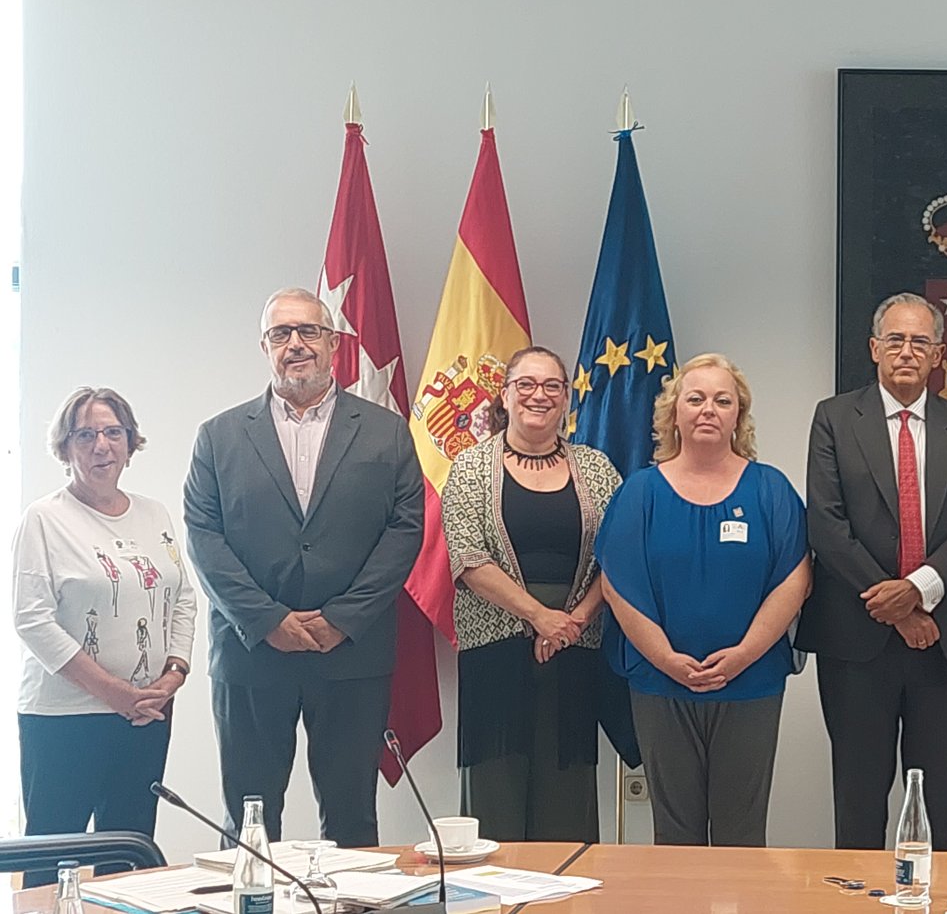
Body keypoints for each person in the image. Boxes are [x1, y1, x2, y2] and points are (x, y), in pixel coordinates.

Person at [183, 287, 425, 844]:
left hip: (351, 653)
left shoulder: (387, 432)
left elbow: (404, 532)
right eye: (280, 334)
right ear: (265, 347)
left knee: (351, 818)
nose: (296, 344)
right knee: (248, 821)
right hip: (251, 652)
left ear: (333, 344)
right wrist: (268, 621)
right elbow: (205, 538)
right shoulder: (217, 437)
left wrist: (342, 618)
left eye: (308, 331)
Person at [797, 293, 947, 852]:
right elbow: (828, 526)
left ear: (938, 354)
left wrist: (918, 592)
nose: (906, 351)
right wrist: (897, 609)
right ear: (873, 348)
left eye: (919, 342)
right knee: (859, 801)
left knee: (939, 803)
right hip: (856, 642)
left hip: (945, 641)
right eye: (895, 339)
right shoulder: (835, 419)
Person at [600, 352, 810, 846]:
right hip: (660, 685)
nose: (708, 409)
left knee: (743, 833)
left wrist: (741, 656)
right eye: (695, 399)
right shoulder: (641, 492)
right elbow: (617, 584)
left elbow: (795, 581)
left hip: (751, 683)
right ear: (674, 412)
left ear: (739, 415)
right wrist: (666, 659)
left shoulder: (770, 490)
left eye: (722, 400)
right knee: (675, 834)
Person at [12, 388, 196, 884]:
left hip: (145, 717)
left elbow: (182, 597)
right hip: (64, 721)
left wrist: (174, 674)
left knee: (131, 856)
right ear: (65, 447)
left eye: (114, 432)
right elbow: (32, 620)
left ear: (131, 442)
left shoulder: (154, 513)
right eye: (86, 434)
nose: (102, 446)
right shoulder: (44, 519)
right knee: (53, 863)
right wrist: (115, 693)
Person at [441, 346, 622, 842]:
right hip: (495, 651)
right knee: (493, 795)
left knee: (569, 800)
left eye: (551, 386)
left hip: (575, 649)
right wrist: (540, 618)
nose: (538, 395)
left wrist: (572, 623)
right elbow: (468, 560)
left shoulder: (598, 468)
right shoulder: (470, 467)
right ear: (504, 394)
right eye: (525, 384)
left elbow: (617, 559)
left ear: (566, 398)